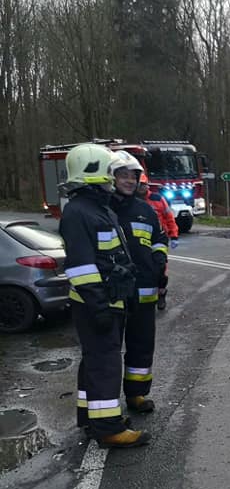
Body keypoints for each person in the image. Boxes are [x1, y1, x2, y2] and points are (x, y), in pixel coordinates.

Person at [59, 143, 150, 447]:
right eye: (110, 172)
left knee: (94, 362)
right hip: (97, 303)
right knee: (104, 364)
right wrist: (98, 305)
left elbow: (113, 257)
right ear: (94, 172)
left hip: (110, 299)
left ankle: (91, 418)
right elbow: (82, 266)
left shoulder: (97, 208)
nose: (115, 178)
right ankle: (109, 428)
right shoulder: (79, 213)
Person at [109, 151, 168, 414]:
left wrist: (158, 266)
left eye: (133, 176)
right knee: (109, 350)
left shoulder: (145, 210)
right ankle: (106, 403)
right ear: (111, 177)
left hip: (145, 289)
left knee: (142, 345)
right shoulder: (104, 208)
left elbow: (160, 239)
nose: (130, 181)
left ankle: (137, 394)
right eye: (123, 175)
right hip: (114, 291)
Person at [143, 175, 178, 310]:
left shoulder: (157, 199)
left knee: (160, 269)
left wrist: (174, 235)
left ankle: (161, 293)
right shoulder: (130, 201)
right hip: (139, 241)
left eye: (143, 184)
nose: (141, 187)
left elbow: (169, 218)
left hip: (158, 238)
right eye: (139, 184)